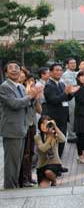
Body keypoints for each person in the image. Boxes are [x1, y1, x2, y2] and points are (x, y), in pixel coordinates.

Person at [0, 61, 42, 189]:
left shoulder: (21, 87)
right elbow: (14, 104)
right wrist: (30, 96)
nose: (14, 70)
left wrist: (34, 97)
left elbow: (27, 105)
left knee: (18, 162)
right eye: (10, 68)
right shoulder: (4, 87)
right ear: (6, 72)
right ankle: (10, 189)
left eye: (16, 68)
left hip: (22, 128)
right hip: (11, 129)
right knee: (11, 163)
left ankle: (15, 187)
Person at [44, 63, 79, 158]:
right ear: (51, 72)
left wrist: (71, 93)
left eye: (60, 70)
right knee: (53, 143)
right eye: (56, 70)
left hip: (63, 118)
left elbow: (66, 98)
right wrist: (66, 93)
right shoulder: (49, 85)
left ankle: (59, 164)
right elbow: (54, 100)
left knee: (62, 141)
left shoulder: (61, 84)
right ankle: (53, 166)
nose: (59, 72)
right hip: (54, 119)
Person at [19, 73, 42, 187]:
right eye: (29, 81)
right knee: (26, 153)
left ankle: (29, 176)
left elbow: (39, 110)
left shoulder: (33, 93)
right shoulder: (22, 92)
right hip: (24, 124)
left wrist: (36, 98)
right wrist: (29, 94)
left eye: (33, 80)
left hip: (33, 124)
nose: (32, 83)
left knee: (32, 152)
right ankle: (24, 179)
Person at [35, 116, 65, 187]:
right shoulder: (38, 137)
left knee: (48, 172)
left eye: (48, 124)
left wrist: (55, 127)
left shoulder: (55, 134)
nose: (47, 127)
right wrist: (50, 137)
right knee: (42, 186)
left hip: (54, 163)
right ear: (40, 126)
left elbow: (63, 139)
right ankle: (50, 179)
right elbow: (43, 148)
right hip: (42, 165)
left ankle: (54, 180)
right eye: (44, 124)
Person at [61, 58, 78, 143]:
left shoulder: (76, 73)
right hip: (70, 97)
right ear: (67, 65)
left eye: (74, 63)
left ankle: (74, 133)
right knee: (71, 115)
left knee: (75, 115)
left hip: (76, 97)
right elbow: (72, 85)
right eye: (71, 63)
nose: (73, 64)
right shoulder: (65, 74)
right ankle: (71, 135)